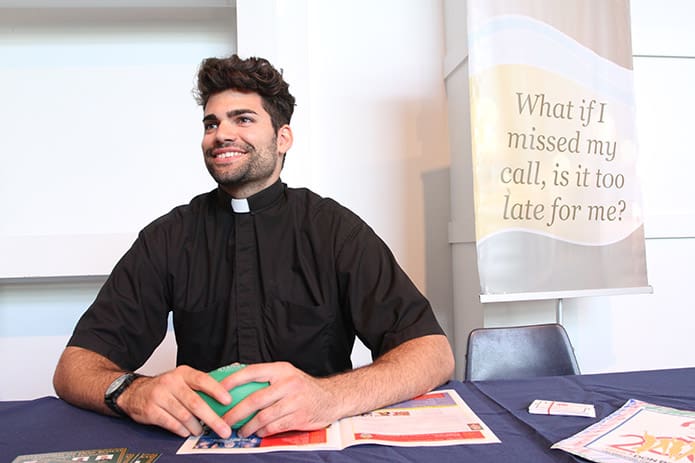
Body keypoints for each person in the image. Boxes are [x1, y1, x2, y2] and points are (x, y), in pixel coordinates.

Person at [53, 54, 454, 440]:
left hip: (316, 443)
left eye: (242, 119)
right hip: (205, 443)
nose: (221, 134)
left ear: (283, 138)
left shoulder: (334, 230)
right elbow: (75, 367)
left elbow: (433, 353)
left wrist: (329, 397)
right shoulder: (168, 237)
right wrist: (133, 391)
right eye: (211, 124)